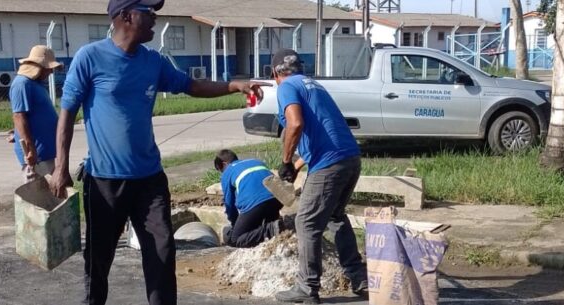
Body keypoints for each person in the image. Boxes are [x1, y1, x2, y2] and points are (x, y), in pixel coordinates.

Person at [47, 1, 270, 304]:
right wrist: (61, 167)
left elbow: (191, 85)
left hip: (149, 180)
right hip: (103, 182)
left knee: (162, 253)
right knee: (98, 259)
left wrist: (234, 86)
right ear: (125, 16)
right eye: (148, 13)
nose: (155, 18)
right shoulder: (91, 57)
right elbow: (67, 114)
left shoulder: (154, 62)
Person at [270, 49, 368, 304]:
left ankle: (307, 287)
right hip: (350, 158)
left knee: (307, 222)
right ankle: (359, 277)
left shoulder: (285, 87)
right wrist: (297, 166)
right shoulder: (314, 86)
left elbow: (295, 124)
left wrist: (285, 161)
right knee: (335, 216)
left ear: (275, 73)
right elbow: (322, 131)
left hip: (329, 163)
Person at [214, 149, 290, 248]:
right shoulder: (255, 161)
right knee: (265, 222)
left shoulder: (227, 172)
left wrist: (235, 225)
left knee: (236, 239)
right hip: (278, 198)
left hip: (256, 203)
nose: (222, 173)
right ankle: (274, 226)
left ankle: (270, 229)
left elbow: (230, 205)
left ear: (224, 164)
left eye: (220, 170)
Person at [9, 45, 62, 182]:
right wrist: (30, 148)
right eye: (49, 68)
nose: (51, 72)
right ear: (39, 66)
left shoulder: (35, 84)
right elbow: (19, 116)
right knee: (36, 195)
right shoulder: (22, 84)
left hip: (45, 152)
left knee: (52, 194)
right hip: (35, 155)